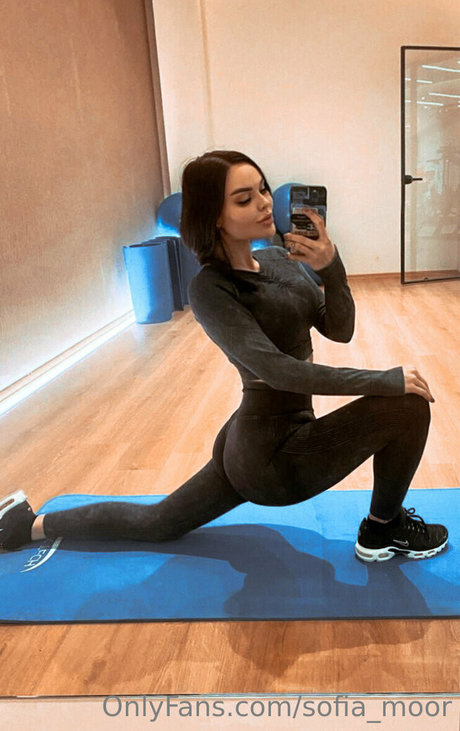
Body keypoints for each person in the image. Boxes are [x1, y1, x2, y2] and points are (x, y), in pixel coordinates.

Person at [0, 150, 448, 562]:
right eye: (244, 199)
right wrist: (382, 380)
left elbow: (340, 330)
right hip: (270, 458)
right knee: (407, 407)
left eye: (263, 190)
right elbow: (277, 371)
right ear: (214, 215)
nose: (264, 203)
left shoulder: (281, 260)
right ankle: (382, 530)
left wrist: (331, 267)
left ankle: (24, 526)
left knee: (158, 523)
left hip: (251, 438)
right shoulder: (211, 289)